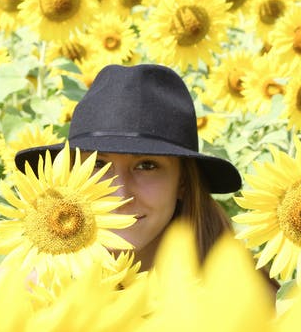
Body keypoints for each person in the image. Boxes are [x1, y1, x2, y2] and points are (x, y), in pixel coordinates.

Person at [14, 64, 242, 271]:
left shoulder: (241, 304)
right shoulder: (26, 295)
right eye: (98, 165)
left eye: (146, 165)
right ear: (69, 175)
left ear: (182, 182)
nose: (119, 195)